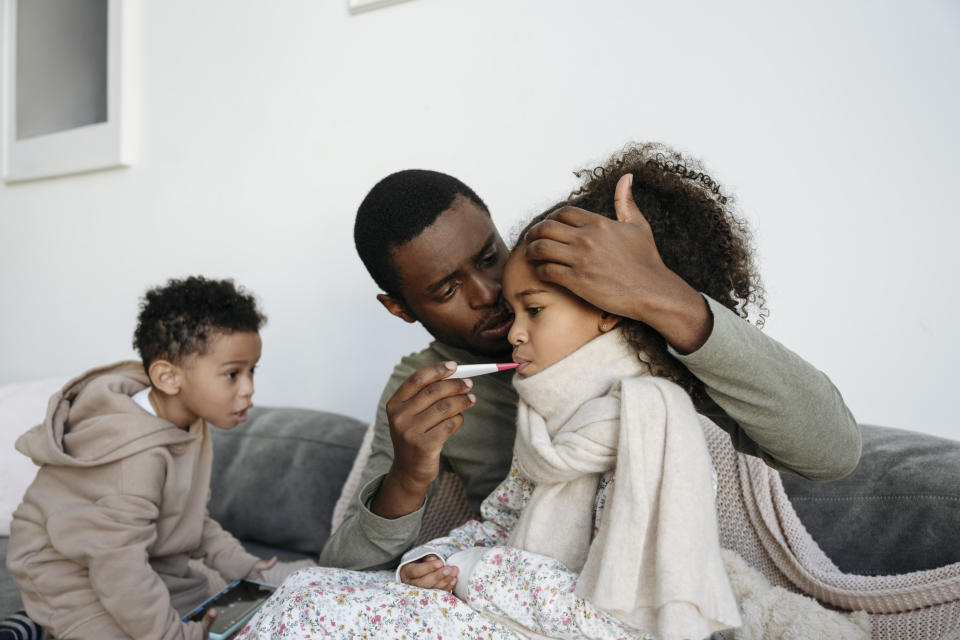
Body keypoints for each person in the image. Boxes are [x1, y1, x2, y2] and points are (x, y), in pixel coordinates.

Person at [321, 143, 861, 572]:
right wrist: (409, 478)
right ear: (399, 309)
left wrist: (662, 296)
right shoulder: (426, 385)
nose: (488, 293)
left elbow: (834, 451)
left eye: (490, 256)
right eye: (446, 290)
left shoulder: (629, 326)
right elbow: (339, 568)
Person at [6, 276, 277, 640]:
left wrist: (243, 565)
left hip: (129, 555)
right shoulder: (134, 459)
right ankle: (38, 622)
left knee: (207, 612)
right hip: (63, 568)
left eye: (251, 370)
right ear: (168, 377)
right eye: (232, 374)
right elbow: (118, 567)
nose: (249, 389)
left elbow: (190, 517)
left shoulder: (188, 422)